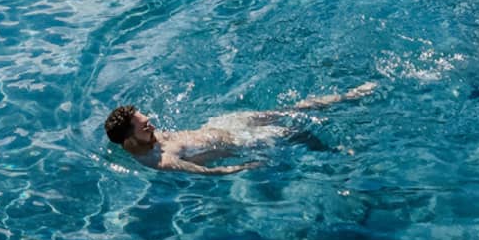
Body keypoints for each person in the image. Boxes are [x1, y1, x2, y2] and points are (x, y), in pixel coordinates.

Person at [103, 83, 377, 175]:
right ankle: (338, 153)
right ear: (129, 139)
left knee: (296, 109)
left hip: (224, 124)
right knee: (294, 132)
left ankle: (350, 96)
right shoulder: (161, 161)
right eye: (144, 125)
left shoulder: (150, 139)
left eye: (147, 120)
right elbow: (211, 173)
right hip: (242, 142)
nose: (151, 124)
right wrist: (245, 166)